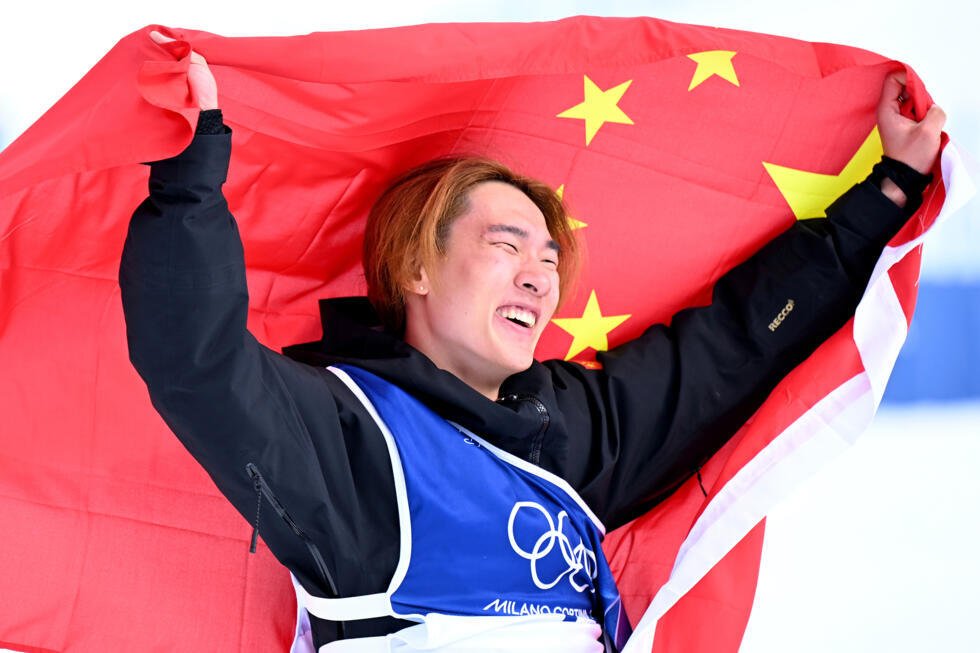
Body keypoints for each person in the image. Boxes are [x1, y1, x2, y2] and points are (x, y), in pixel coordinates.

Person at [120, 31, 944, 652]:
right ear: (414, 264)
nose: (539, 277)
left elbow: (734, 344)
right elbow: (195, 360)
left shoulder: (575, 430)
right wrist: (192, 175)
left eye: (550, 258)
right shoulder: (345, 438)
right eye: (508, 246)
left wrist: (889, 189)